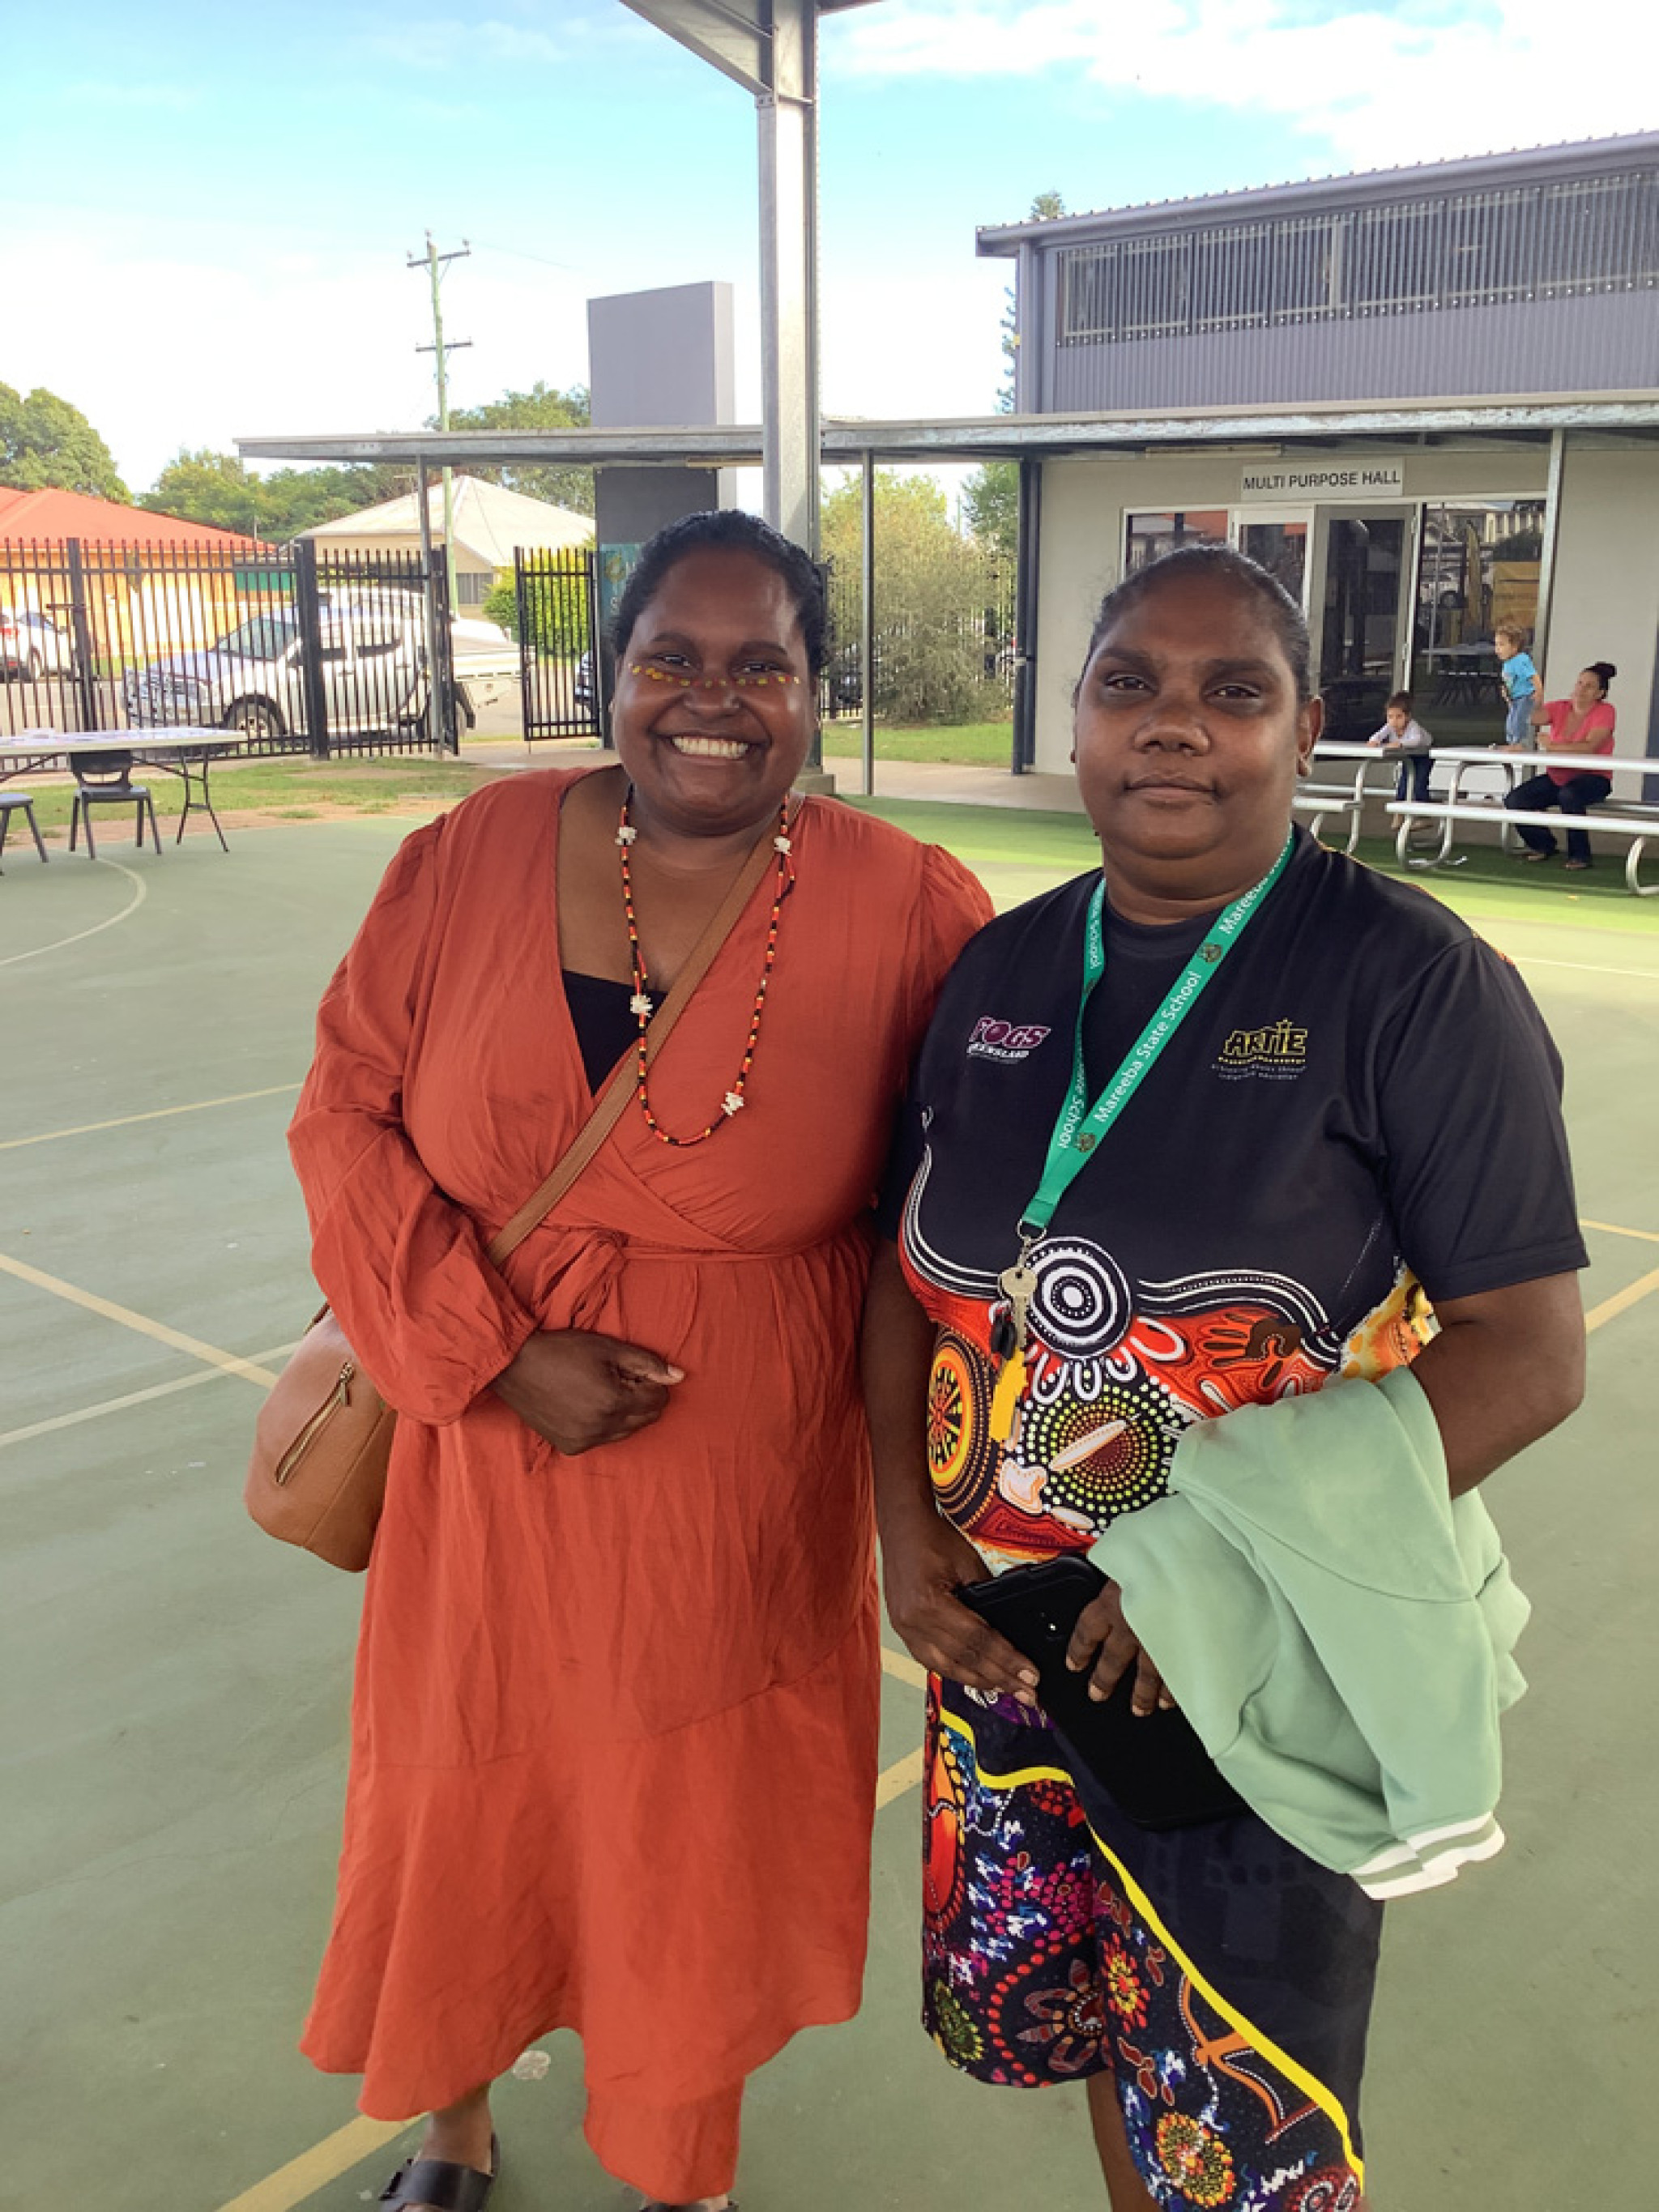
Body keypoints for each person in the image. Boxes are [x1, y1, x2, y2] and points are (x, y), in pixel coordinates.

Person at [864, 543, 1587, 2210]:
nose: (1172, 729)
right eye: (1130, 685)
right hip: (1001, 1639)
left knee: (1247, 2119)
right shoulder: (1003, 971)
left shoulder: (1408, 982)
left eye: (1230, 692)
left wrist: (1205, 1570)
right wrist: (904, 1531)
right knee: (1112, 2048)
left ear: (1305, 729)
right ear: (1078, 719)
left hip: (1234, 1650)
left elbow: (1529, 1360)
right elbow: (903, 1270)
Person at [286, 510, 992, 2212]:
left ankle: (682, 2163)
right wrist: (492, 1349)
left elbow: (966, 1212)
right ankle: (450, 2122)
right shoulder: (466, 854)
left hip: (734, 1506)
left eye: (763, 665)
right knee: (468, 1797)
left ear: (819, 695)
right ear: (611, 676)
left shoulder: (911, 903)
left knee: (686, 1839)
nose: (712, 698)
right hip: (482, 1477)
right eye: (671, 656)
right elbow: (346, 1114)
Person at [1504, 660, 1618, 870]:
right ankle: (1543, 845)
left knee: (1570, 795)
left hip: (1594, 778)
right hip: (1558, 777)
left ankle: (1580, 855)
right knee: (1515, 800)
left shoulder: (1605, 711)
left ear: (1600, 693)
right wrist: (1521, 697)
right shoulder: (1560, 707)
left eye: (1589, 686)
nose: (1581, 689)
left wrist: (1553, 746)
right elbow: (1532, 718)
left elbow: (1590, 746)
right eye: (1580, 683)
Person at [1364, 688, 1433, 801]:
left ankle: (1423, 810)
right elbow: (1379, 734)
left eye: (1399, 717)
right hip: (1409, 755)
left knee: (1420, 782)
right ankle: (1399, 809)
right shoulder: (1390, 726)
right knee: (1404, 782)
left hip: (1424, 755)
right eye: (1390, 717)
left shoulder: (1413, 726)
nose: (1394, 721)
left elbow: (1417, 740)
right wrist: (1374, 741)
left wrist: (1400, 743)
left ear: (1408, 716)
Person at [1494, 624, 1537, 747]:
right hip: (1515, 697)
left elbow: (1533, 676)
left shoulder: (1520, 660)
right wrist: (1507, 695)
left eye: (1501, 645)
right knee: (1511, 721)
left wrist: (1538, 693)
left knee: (1519, 720)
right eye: (1496, 644)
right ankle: (1511, 742)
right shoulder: (1507, 663)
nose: (1497, 649)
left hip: (1525, 696)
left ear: (1514, 647)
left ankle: (1519, 743)